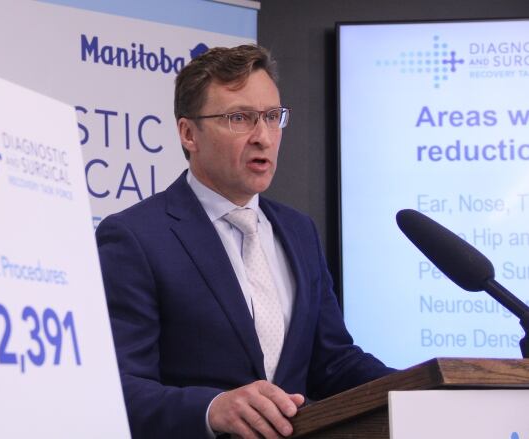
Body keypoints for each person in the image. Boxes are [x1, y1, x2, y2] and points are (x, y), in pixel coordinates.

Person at [96, 45, 393, 439]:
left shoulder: (298, 230)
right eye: (239, 118)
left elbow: (332, 362)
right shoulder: (135, 237)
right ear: (188, 133)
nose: (264, 138)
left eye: (272, 117)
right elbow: (118, 387)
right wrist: (212, 408)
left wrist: (422, 389)